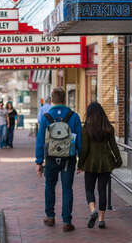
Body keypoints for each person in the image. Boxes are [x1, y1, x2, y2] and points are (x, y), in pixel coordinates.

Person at [35, 87, 82, 232]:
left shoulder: (46, 117)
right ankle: (67, 221)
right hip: (69, 159)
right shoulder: (74, 116)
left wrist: (38, 161)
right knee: (67, 189)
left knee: (50, 186)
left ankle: (50, 217)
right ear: (64, 99)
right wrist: (82, 160)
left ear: (52, 99)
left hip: (51, 158)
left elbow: (40, 141)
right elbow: (80, 140)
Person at [77, 102, 122, 229]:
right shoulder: (108, 127)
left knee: (89, 189)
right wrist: (118, 160)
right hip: (105, 164)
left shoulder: (86, 129)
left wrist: (80, 164)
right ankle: (101, 219)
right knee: (102, 190)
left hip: (90, 164)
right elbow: (114, 146)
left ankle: (93, 211)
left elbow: (84, 149)